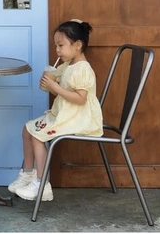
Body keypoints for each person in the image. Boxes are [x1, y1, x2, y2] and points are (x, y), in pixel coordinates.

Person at [8, 19, 103, 201]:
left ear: (77, 45)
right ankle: (28, 173)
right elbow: (58, 90)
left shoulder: (82, 69)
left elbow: (80, 99)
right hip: (63, 114)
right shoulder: (67, 66)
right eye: (56, 46)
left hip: (78, 118)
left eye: (61, 45)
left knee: (38, 136)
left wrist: (56, 87)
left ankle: (42, 184)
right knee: (27, 129)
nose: (57, 50)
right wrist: (49, 84)